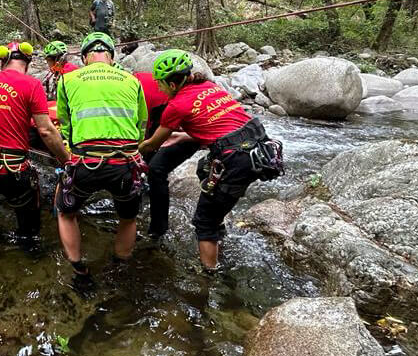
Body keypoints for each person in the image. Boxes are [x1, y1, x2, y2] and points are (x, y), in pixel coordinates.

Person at [138, 50, 283, 270]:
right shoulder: (210, 88)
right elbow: (218, 125)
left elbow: (152, 145)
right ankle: (219, 234)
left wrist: (129, 148)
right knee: (204, 168)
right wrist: (184, 135)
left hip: (235, 159)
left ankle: (209, 274)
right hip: (259, 148)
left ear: (173, 85)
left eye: (160, 84)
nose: (158, 87)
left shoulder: (175, 106)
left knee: (204, 222)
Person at [55, 32, 148, 276]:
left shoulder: (67, 79)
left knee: (66, 213)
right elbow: (141, 125)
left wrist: (70, 151)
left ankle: (78, 268)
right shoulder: (132, 80)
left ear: (85, 57)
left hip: (86, 162)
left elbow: (65, 124)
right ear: (110, 55)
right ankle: (119, 267)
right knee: (128, 218)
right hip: (126, 163)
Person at [0, 41, 70, 240]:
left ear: (2, 60)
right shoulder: (31, 84)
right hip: (10, 169)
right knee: (29, 228)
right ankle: (30, 259)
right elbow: (46, 131)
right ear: (29, 62)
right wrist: (66, 160)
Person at [135, 67, 202, 240]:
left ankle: (157, 230)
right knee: (154, 167)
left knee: (156, 169)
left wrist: (137, 150)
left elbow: (145, 131)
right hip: (189, 117)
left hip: (170, 110)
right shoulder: (137, 80)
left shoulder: (142, 94)